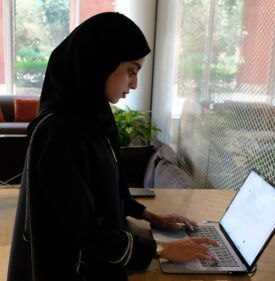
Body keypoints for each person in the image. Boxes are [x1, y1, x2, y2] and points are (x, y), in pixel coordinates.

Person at [7, 12, 220, 281]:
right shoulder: (58, 132)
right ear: (100, 62)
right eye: (131, 71)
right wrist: (162, 250)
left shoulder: (93, 115)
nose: (135, 83)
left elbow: (103, 190)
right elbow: (86, 231)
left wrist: (147, 214)